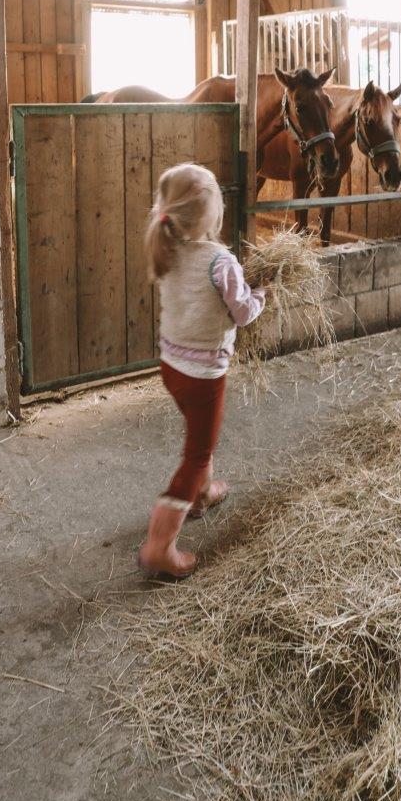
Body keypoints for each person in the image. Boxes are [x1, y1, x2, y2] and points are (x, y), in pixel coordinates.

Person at [138, 163, 265, 579]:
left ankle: (204, 492)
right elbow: (242, 313)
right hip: (204, 374)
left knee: (198, 435)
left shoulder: (168, 249)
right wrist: (262, 294)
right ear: (211, 215)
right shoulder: (220, 260)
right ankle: (160, 546)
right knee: (196, 454)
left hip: (171, 367)